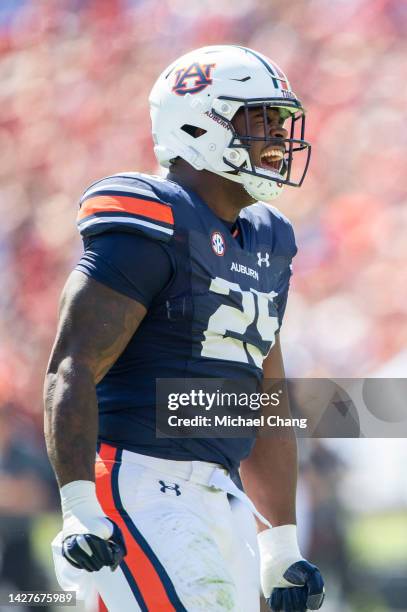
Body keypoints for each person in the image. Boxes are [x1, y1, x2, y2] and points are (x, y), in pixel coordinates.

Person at [44, 45, 325, 611]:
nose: (278, 137)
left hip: (220, 494)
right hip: (135, 482)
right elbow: (73, 361)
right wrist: (79, 504)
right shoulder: (151, 214)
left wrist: (280, 542)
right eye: (260, 119)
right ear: (200, 123)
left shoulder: (270, 237)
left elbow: (264, 400)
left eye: (280, 120)